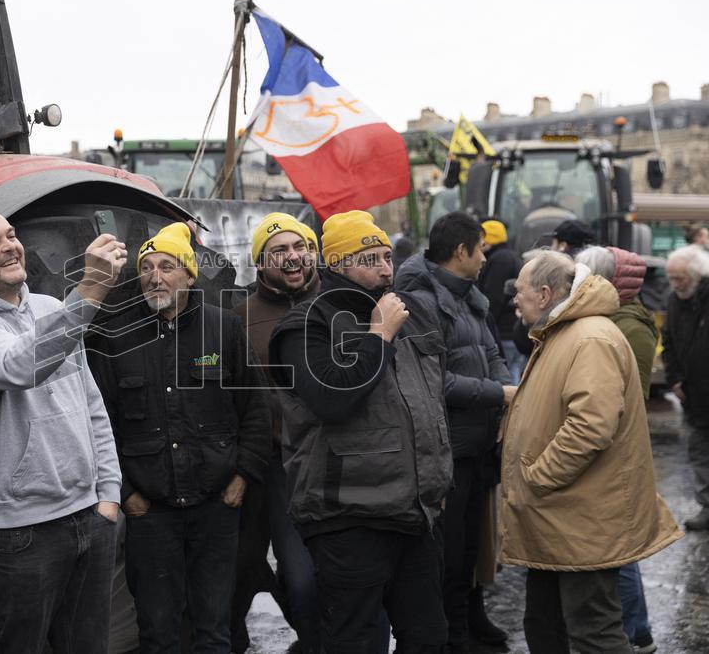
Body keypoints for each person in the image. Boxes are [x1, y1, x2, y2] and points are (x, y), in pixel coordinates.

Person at [0, 203, 124, 653]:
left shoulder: (49, 307)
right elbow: (20, 366)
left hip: (88, 519)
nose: (9, 246)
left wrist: (108, 495)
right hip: (18, 535)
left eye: (10, 234)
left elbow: (90, 403)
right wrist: (91, 289)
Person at [269, 211, 453, 653]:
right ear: (336, 263)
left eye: (388, 256)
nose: (387, 269)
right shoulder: (305, 326)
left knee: (429, 636)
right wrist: (378, 336)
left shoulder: (409, 313)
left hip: (413, 513)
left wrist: (438, 478)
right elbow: (333, 400)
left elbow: (431, 402)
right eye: (370, 258)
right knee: (357, 640)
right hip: (347, 515)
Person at [91, 222, 270, 653]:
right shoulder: (115, 339)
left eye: (168, 267)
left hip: (215, 508)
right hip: (150, 513)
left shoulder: (223, 328)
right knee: (157, 631)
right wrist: (127, 492)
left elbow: (255, 411)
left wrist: (242, 476)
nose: (156, 277)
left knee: (214, 628)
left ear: (189, 275)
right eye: (147, 268)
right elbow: (101, 422)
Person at [502, 251, 682, 653]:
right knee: (546, 626)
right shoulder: (565, 332)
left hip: (580, 519)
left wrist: (538, 476)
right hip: (561, 518)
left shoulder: (590, 338)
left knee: (592, 632)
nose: (515, 300)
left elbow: (590, 426)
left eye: (520, 291)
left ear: (546, 294)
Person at [396, 212, 514, 653]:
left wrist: (504, 396)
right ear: (461, 251)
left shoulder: (467, 295)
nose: (486, 257)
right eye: (481, 248)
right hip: (449, 447)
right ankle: (453, 633)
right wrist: (497, 393)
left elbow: (492, 350)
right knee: (451, 549)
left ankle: (471, 615)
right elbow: (435, 380)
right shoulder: (420, 296)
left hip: (479, 441)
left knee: (474, 545)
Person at [230, 213, 324, 654]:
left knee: (322, 576)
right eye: (279, 250)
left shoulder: (335, 304)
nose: (293, 257)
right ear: (260, 263)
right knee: (276, 571)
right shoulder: (240, 317)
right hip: (271, 465)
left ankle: (315, 643)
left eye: (300, 247)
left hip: (330, 460)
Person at [575, 245, 659, 654]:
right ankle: (636, 632)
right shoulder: (614, 322)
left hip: (617, 449)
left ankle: (634, 633)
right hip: (613, 444)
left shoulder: (628, 327)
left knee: (618, 550)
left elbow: (629, 397)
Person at [662, 244, 709, 531]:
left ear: (697, 276)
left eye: (680, 278)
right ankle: (707, 506)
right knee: (699, 451)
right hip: (693, 394)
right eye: (671, 278)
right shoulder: (675, 300)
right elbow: (668, 341)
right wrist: (675, 378)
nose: (674, 284)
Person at [478, 219, 523, 381]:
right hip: (512, 328)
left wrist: (486, 324)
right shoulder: (510, 256)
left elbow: (493, 298)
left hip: (504, 331)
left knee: (508, 375)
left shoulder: (499, 260)